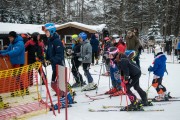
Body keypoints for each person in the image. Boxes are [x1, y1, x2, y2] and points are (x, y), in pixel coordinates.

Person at [42, 23, 65, 95]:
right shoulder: (50, 41)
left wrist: (51, 60)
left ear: (51, 31)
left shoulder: (57, 41)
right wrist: (45, 59)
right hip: (54, 65)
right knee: (54, 83)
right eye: (45, 32)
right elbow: (49, 51)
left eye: (46, 31)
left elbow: (59, 55)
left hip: (60, 64)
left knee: (60, 83)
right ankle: (61, 93)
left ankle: (66, 96)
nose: (45, 33)